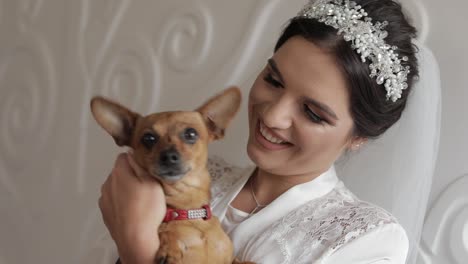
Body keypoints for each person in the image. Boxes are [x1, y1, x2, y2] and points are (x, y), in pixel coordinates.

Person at [97, 0, 425, 263]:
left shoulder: (367, 240)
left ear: (358, 137)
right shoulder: (190, 174)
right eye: (273, 80)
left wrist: (137, 245)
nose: (272, 115)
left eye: (313, 113)